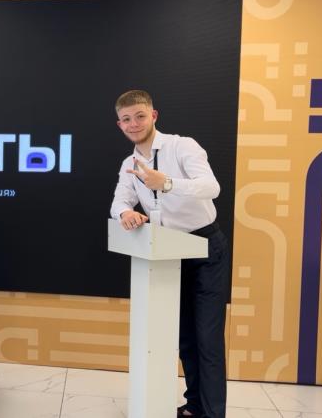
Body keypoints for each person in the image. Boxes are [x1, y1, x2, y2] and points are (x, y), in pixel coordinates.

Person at [109, 90, 230, 418]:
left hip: (205, 249)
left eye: (140, 116)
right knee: (186, 337)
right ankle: (195, 406)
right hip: (169, 253)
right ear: (119, 125)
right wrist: (125, 213)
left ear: (154, 116)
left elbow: (212, 187)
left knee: (208, 339)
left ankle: (213, 414)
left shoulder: (182, 146)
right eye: (126, 119)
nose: (134, 124)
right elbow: (119, 200)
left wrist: (167, 183)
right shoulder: (129, 164)